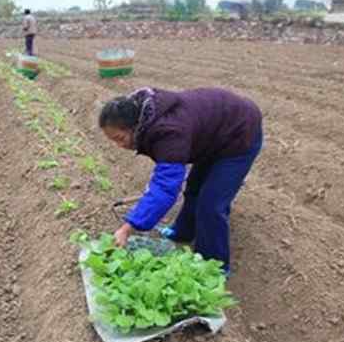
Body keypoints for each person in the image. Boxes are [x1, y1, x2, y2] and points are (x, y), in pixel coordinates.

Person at [99, 87, 263, 275]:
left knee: (211, 205)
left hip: (239, 134)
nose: (120, 146)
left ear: (134, 126)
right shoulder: (144, 112)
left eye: (120, 138)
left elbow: (165, 188)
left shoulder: (169, 133)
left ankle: (213, 269)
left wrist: (128, 228)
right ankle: (183, 232)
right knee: (194, 189)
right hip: (213, 136)